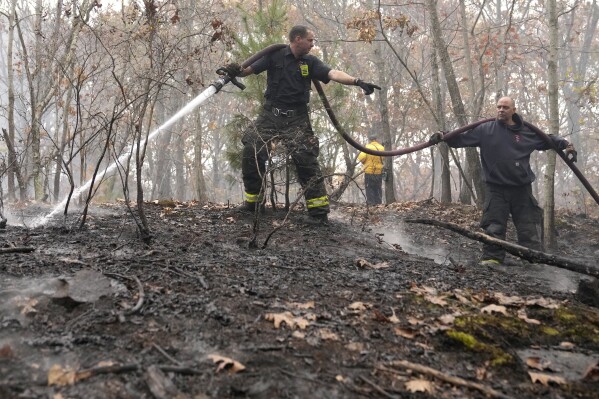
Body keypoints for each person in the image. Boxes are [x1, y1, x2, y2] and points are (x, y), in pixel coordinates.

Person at [221, 25, 381, 225]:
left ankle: (319, 213)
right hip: (270, 115)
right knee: (252, 148)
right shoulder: (275, 55)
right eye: (310, 40)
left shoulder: (310, 62)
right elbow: (247, 70)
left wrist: (357, 81)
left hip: (297, 119)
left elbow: (332, 73)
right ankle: (253, 204)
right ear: (298, 39)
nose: (313, 44)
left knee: (306, 159)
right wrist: (235, 69)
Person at [429, 96, 577, 266]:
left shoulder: (526, 131)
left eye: (505, 107)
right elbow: (461, 138)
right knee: (494, 225)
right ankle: (492, 261)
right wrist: (443, 136)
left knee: (528, 227)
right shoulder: (485, 130)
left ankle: (533, 263)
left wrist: (567, 144)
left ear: (514, 110)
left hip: (521, 189)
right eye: (499, 106)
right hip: (496, 188)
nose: (501, 110)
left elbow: (548, 139)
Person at [358, 134, 385, 205]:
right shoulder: (382, 148)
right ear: (376, 139)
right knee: (378, 188)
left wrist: (365, 162)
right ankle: (378, 204)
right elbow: (383, 158)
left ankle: (371, 204)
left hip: (369, 171)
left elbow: (361, 158)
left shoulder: (367, 147)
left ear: (370, 140)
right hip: (379, 172)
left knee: (369, 188)